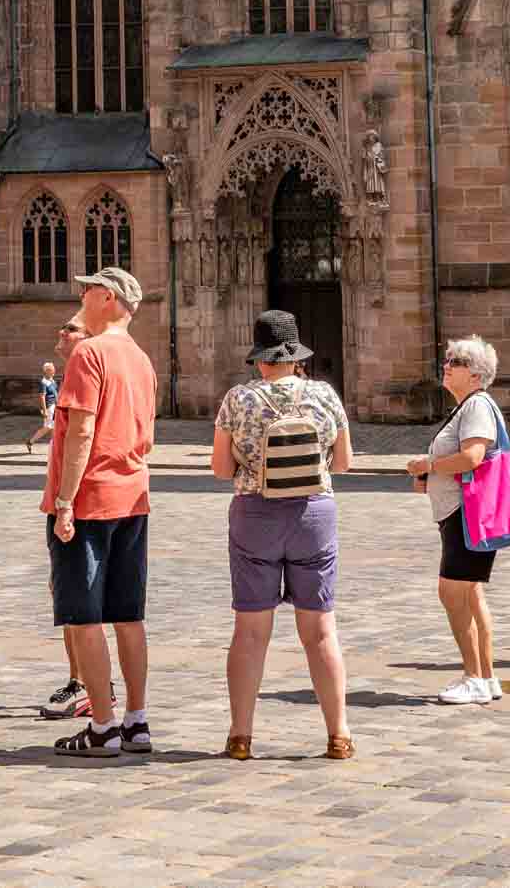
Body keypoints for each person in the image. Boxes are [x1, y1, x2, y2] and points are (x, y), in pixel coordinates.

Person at [210, 311, 354, 762]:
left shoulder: (238, 399)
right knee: (320, 630)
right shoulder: (324, 395)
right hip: (314, 514)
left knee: (251, 631)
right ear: (295, 356)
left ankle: (240, 736)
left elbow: (220, 470)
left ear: (259, 358)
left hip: (256, 514)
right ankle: (339, 735)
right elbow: (345, 462)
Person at [43, 267, 159, 757]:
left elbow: (81, 432)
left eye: (87, 289)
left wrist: (65, 501)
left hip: (90, 498)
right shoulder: (141, 359)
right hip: (132, 496)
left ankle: (103, 727)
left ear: (108, 298)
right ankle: (136, 720)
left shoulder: (90, 353)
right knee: (128, 615)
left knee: (86, 617)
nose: (81, 295)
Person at [406, 334, 506, 705]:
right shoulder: (466, 406)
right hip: (458, 513)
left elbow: (473, 457)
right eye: (448, 359)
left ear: (476, 375)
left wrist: (430, 465)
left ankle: (473, 677)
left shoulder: (476, 406)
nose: (447, 366)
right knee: (471, 593)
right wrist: (430, 478)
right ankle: (487, 677)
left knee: (450, 592)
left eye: (457, 362)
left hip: (467, 515)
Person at [36, 316, 95, 720]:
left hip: (78, 503)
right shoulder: (75, 373)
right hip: (65, 500)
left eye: (70, 328)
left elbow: (83, 437)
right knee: (65, 594)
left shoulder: (86, 374)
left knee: (77, 596)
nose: (61, 332)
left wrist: (65, 503)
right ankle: (80, 678)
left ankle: (89, 684)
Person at [29, 361, 59, 452]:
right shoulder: (43, 382)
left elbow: (56, 393)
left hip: (55, 406)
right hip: (49, 407)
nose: (54, 371)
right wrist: (44, 410)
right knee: (48, 427)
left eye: (54, 369)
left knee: (53, 427)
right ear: (46, 371)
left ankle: (54, 447)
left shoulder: (52, 381)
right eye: (52, 369)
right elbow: (42, 396)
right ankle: (30, 442)